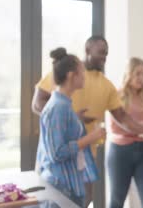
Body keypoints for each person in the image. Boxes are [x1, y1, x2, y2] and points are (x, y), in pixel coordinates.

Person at [32, 36, 143, 157]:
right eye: (101, 53)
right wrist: (71, 118)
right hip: (58, 157)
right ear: (87, 50)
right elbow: (38, 103)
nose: (104, 58)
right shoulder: (65, 73)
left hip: (86, 158)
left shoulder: (107, 86)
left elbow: (122, 117)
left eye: (106, 54)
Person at [36, 47, 105, 207]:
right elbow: (57, 153)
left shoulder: (64, 106)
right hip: (62, 187)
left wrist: (75, 120)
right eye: (82, 72)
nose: (85, 77)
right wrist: (90, 138)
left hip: (69, 184)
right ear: (71, 76)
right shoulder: (58, 107)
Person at [107, 57, 143, 208]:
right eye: (137, 74)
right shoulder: (117, 95)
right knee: (117, 201)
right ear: (129, 74)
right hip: (121, 151)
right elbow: (116, 125)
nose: (141, 78)